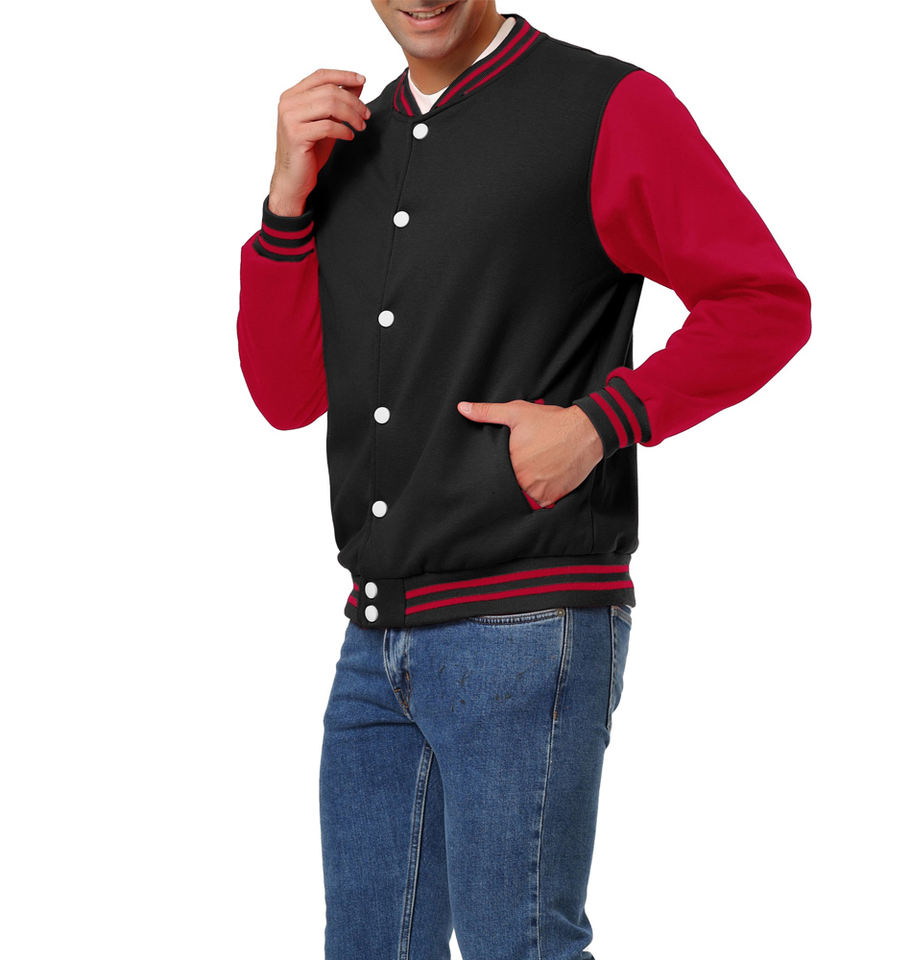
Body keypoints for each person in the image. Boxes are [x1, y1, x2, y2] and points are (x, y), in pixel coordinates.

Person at [236, 2, 811, 957]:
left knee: (521, 945)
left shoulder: (606, 106)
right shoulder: (348, 140)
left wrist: (600, 423)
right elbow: (288, 394)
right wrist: (285, 204)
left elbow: (763, 302)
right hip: (374, 637)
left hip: (527, 621)